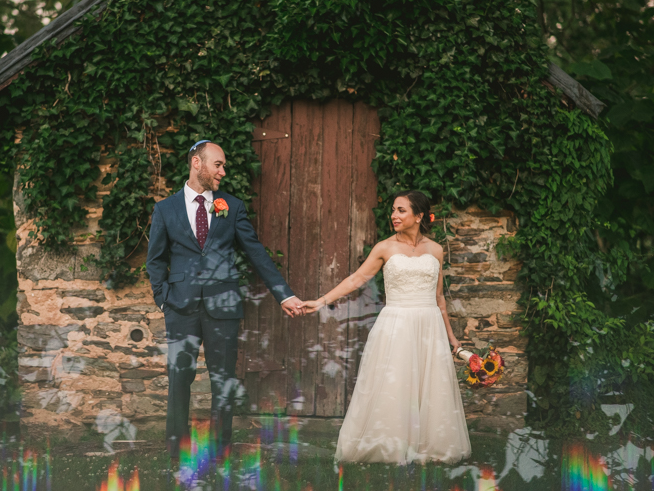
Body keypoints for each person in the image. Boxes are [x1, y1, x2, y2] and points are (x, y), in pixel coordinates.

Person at [146, 140, 304, 460]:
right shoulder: (165, 209)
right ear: (196, 163)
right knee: (179, 380)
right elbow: (155, 260)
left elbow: (256, 253)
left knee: (223, 382)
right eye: (218, 164)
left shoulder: (231, 206)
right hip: (180, 306)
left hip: (223, 307)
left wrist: (283, 294)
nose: (223, 171)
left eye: (224, 165)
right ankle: (176, 452)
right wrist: (163, 299)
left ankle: (220, 452)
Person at [301, 190, 471, 464]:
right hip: (397, 324)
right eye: (393, 210)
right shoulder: (384, 248)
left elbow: (439, 297)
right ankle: (389, 445)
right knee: (395, 385)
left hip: (429, 326)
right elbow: (356, 279)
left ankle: (429, 446)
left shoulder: (436, 250)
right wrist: (321, 301)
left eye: (401, 210)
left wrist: (452, 338)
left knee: (428, 387)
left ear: (419, 216)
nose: (394, 215)